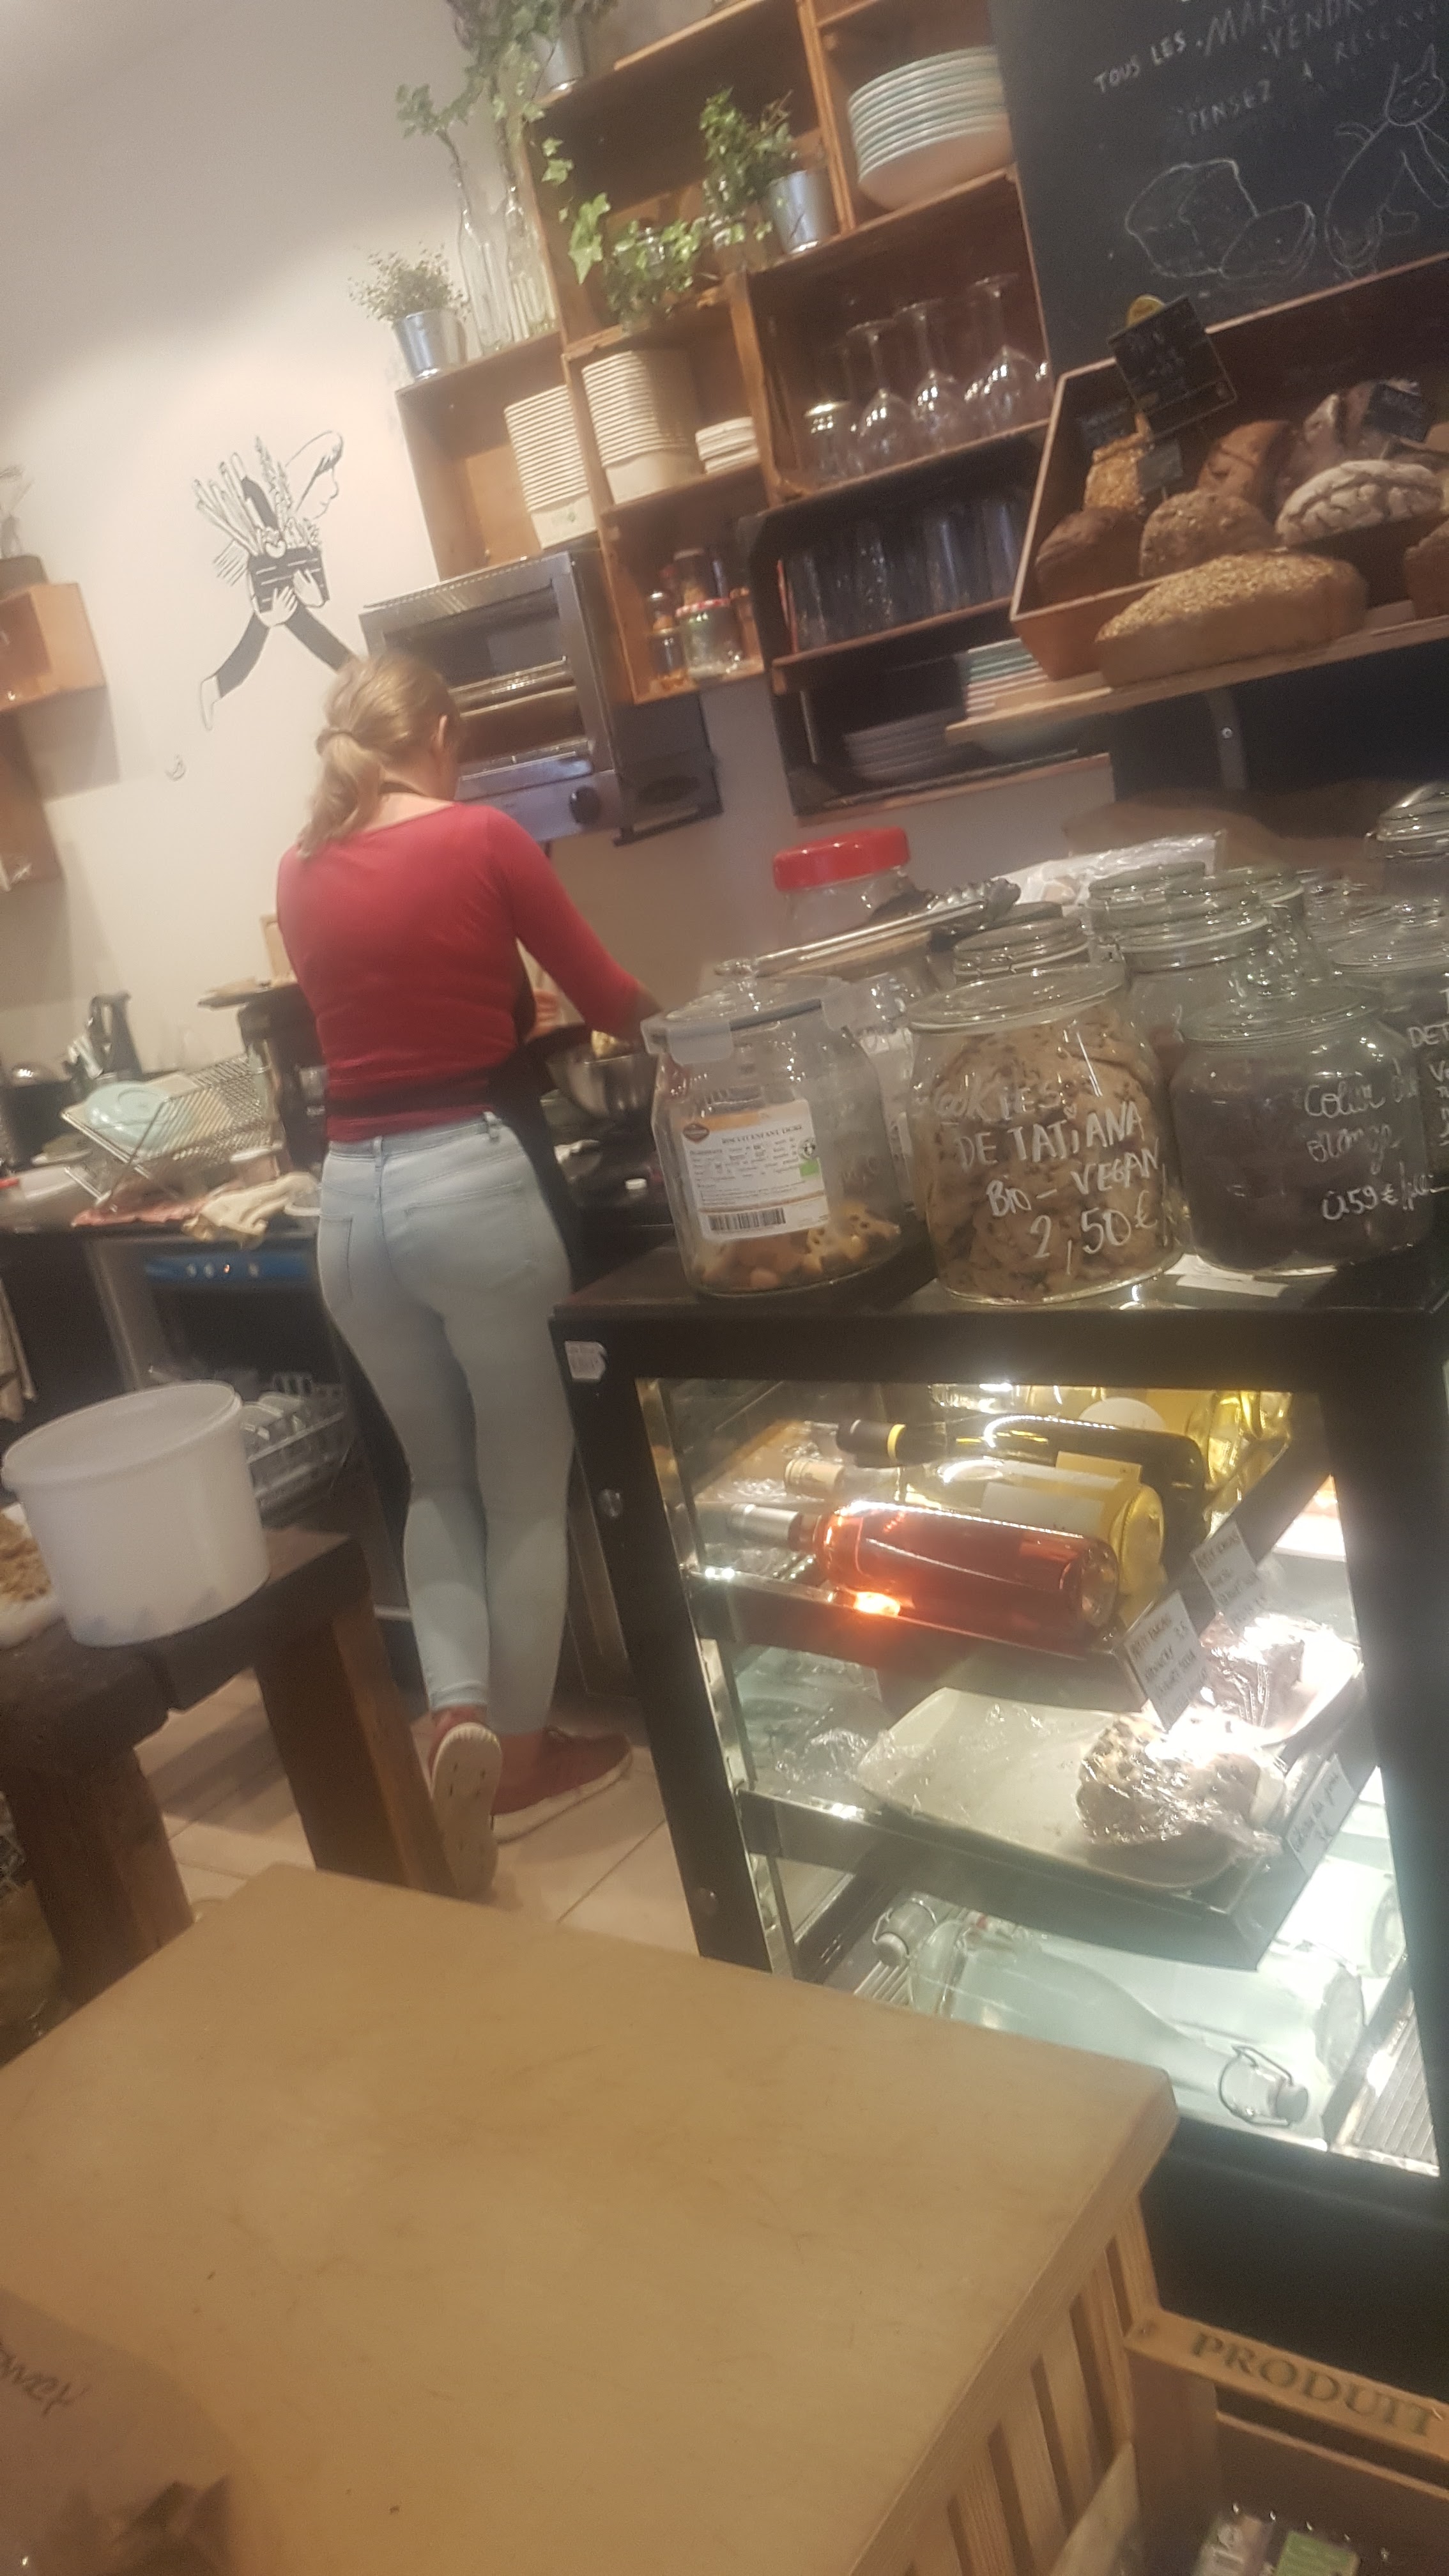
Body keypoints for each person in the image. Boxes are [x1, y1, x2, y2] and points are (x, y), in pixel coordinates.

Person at [277, 652, 657, 1898]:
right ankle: (528, 1757)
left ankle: (457, 1718)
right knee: (526, 1491)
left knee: (434, 1477)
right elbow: (607, 997)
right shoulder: (484, 838)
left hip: (350, 1203)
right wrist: (691, 1027)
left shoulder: (297, 868)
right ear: (441, 734)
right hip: (471, 1186)